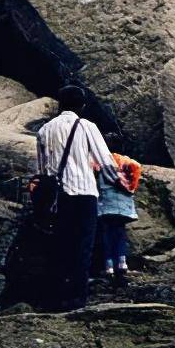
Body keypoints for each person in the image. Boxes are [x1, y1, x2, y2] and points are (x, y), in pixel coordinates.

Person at [36, 85, 127, 312]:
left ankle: (57, 298)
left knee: (60, 245)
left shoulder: (44, 130)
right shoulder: (87, 126)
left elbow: (42, 170)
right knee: (83, 246)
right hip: (85, 193)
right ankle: (77, 299)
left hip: (59, 197)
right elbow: (104, 160)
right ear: (82, 106)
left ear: (60, 104)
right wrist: (118, 182)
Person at [95, 133, 142, 285]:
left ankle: (109, 266)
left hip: (107, 203)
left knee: (107, 234)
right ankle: (122, 262)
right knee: (120, 232)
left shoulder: (102, 162)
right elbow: (133, 180)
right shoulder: (129, 162)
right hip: (123, 204)